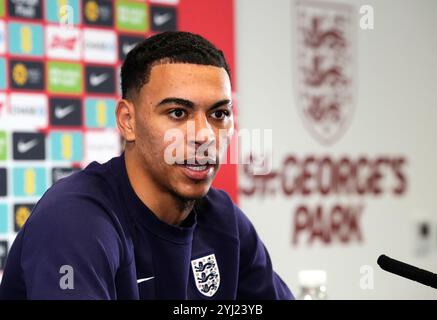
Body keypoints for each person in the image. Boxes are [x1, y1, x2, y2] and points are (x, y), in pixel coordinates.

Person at [0, 31, 293, 300]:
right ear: (128, 121)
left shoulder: (223, 219)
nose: (204, 135)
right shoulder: (74, 220)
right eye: (178, 113)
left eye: (219, 114)